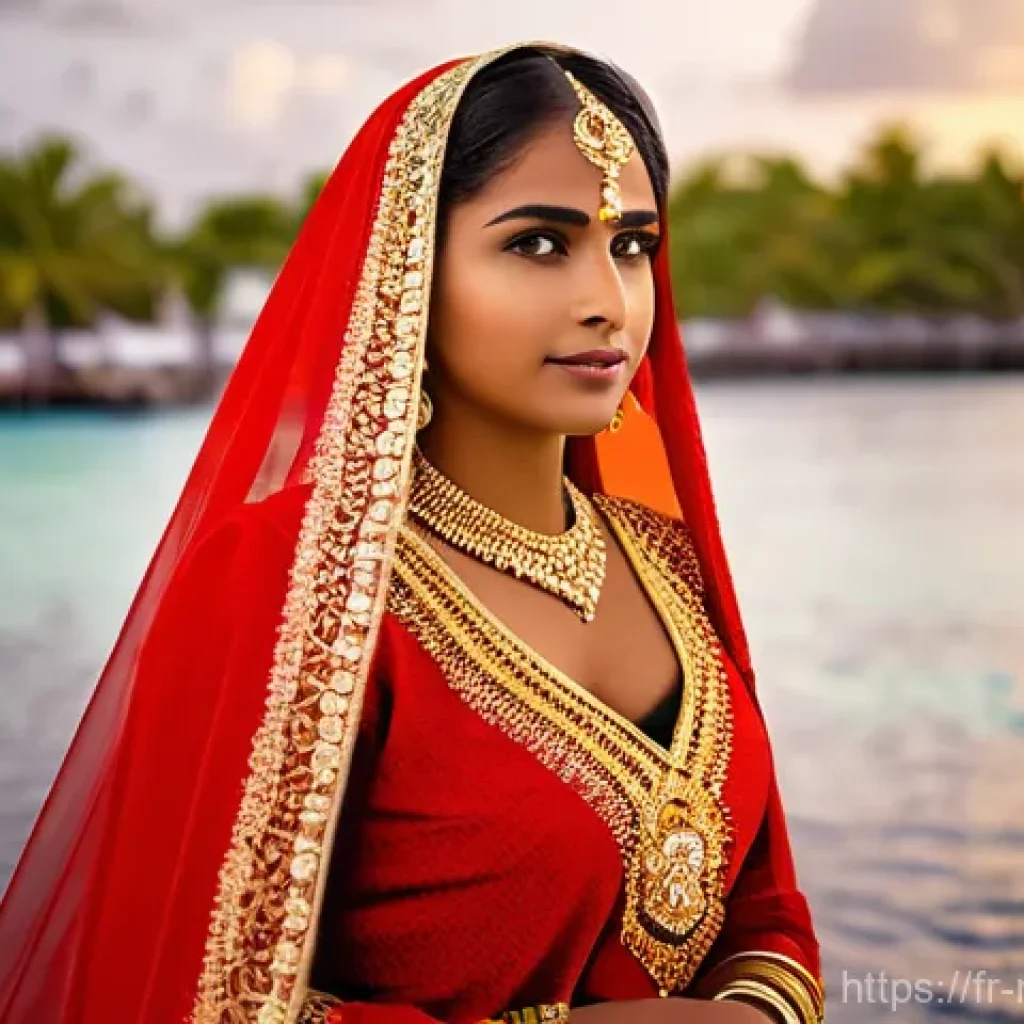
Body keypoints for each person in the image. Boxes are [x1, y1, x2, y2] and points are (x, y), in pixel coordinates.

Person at [0, 42, 824, 1024]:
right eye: (537, 244)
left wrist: (759, 1010)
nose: (608, 298)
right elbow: (188, 989)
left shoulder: (668, 564)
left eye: (632, 244)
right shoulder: (288, 580)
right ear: (406, 271)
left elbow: (767, 908)